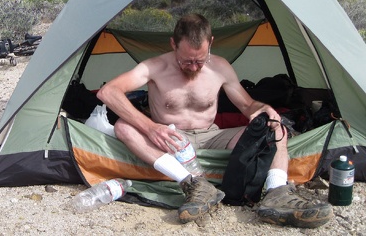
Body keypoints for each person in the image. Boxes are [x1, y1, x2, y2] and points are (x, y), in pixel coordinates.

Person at [97, 13, 333, 228]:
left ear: (210, 42)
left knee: (275, 126)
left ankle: (277, 193)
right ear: (173, 44)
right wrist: (151, 128)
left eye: (200, 60)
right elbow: (108, 92)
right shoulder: (154, 67)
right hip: (171, 138)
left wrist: (265, 109)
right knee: (123, 127)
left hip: (212, 136)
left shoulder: (220, 67)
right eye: (186, 61)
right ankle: (193, 184)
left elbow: (248, 105)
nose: (193, 67)